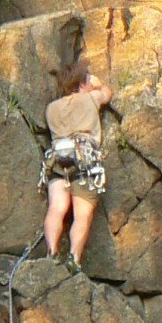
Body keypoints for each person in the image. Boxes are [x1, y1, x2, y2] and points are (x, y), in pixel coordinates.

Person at [42, 59, 112, 270]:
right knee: (82, 214)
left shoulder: (51, 108)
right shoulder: (90, 99)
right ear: (82, 84)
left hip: (57, 161)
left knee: (56, 208)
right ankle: (74, 259)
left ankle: (52, 253)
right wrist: (97, 84)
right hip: (85, 162)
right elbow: (108, 93)